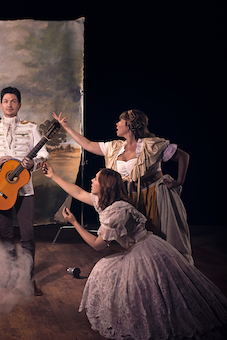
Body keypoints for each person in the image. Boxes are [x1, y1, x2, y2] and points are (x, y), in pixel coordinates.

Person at [43, 163, 227, 340]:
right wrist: (54, 176)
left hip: (145, 252)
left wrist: (74, 222)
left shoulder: (117, 212)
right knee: (106, 270)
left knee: (121, 277)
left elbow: (97, 245)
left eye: (95, 179)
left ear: (105, 185)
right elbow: (79, 193)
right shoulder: (107, 202)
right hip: (140, 248)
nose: (91, 180)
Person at [53, 109, 193, 263]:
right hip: (132, 198)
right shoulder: (115, 147)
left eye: (120, 121)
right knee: (141, 241)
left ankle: (171, 272)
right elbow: (87, 144)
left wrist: (178, 181)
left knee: (163, 238)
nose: (117, 124)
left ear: (130, 124)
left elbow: (183, 156)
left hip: (155, 196)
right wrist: (66, 127)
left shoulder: (152, 145)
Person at [0, 87, 48, 296]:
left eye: (14, 101)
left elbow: (43, 154)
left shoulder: (31, 127)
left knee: (28, 234)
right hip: (0, 189)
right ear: (1, 105)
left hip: (25, 190)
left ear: (19, 104)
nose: (9, 105)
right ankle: (10, 275)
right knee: (6, 233)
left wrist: (33, 163)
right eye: (6, 101)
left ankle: (29, 279)